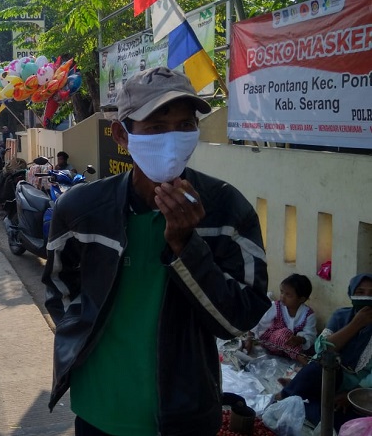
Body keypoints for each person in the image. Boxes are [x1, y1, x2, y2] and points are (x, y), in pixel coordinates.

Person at [42, 67, 270, 436]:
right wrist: (82, 334)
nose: (173, 138)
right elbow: (59, 286)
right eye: (156, 126)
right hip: (99, 406)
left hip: (185, 414)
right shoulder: (80, 209)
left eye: (185, 125)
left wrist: (185, 244)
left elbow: (238, 319)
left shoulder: (227, 209)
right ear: (121, 134)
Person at [279, 274, 372, 430]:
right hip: (328, 375)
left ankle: (300, 394)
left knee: (344, 423)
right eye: (360, 292)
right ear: (351, 293)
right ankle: (287, 396)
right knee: (316, 368)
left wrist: (350, 395)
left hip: (358, 391)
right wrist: (356, 324)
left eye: (371, 293)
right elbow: (323, 349)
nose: (366, 297)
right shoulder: (341, 315)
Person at [245, 273, 316, 363]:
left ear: (301, 299)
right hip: (272, 342)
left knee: (314, 347)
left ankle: (304, 360)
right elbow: (257, 321)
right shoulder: (276, 306)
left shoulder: (308, 314)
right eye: (282, 292)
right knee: (284, 334)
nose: (282, 296)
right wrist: (249, 339)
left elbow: (311, 335)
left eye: (288, 295)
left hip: (291, 348)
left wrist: (301, 339)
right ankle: (305, 362)